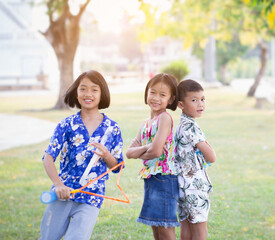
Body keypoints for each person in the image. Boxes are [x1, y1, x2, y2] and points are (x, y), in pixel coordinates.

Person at [39, 70, 124, 240]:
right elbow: (48, 158)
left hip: (91, 198)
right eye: (83, 89)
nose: (88, 94)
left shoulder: (112, 128)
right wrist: (58, 184)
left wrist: (106, 155)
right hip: (63, 194)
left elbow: (117, 167)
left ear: (102, 94)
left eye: (94, 89)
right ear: (76, 92)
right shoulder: (67, 124)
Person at [126, 73, 179, 240]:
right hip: (151, 178)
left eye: (163, 95)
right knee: (156, 228)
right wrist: (148, 146)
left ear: (170, 100)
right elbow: (128, 153)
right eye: (152, 92)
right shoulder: (145, 123)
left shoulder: (164, 118)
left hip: (165, 179)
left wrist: (143, 152)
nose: (156, 98)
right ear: (146, 93)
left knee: (164, 228)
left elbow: (157, 152)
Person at [175, 79, 216, 240]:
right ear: (181, 104)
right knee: (199, 232)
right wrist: (207, 144)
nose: (200, 104)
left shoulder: (180, 125)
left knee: (186, 227)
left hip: (182, 185)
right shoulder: (191, 127)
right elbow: (211, 157)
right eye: (194, 100)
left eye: (202, 99)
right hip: (194, 186)